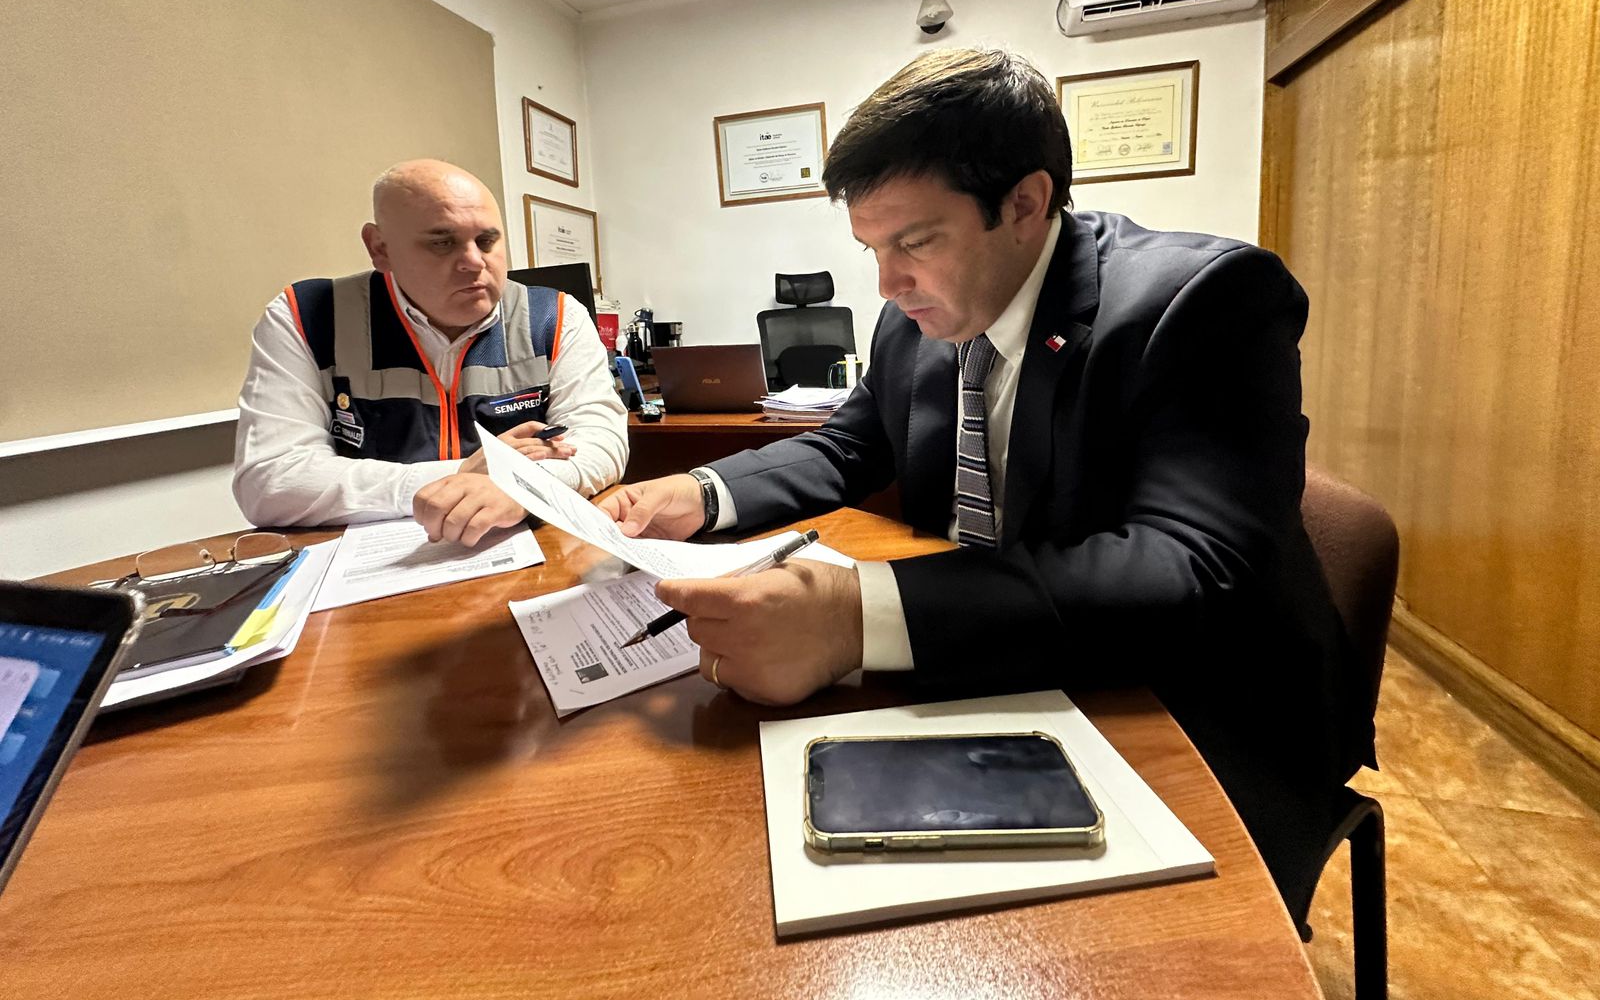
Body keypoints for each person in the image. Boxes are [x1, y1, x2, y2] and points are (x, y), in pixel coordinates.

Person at [599, 49, 1371, 921]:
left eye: (914, 242)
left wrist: (855, 616)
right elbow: (852, 446)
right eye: (871, 249)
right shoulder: (914, 320)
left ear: (1025, 204)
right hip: (988, 662)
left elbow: (1192, 567)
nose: (888, 284)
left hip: (1195, 702)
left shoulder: (1204, 300)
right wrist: (700, 492)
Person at [234, 158, 627, 544]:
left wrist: (525, 488)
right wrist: (466, 476)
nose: (474, 262)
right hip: (368, 563)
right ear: (380, 248)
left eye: (487, 241)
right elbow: (270, 481)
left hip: (521, 554)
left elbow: (601, 443)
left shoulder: (554, 316)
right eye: (442, 243)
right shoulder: (308, 316)